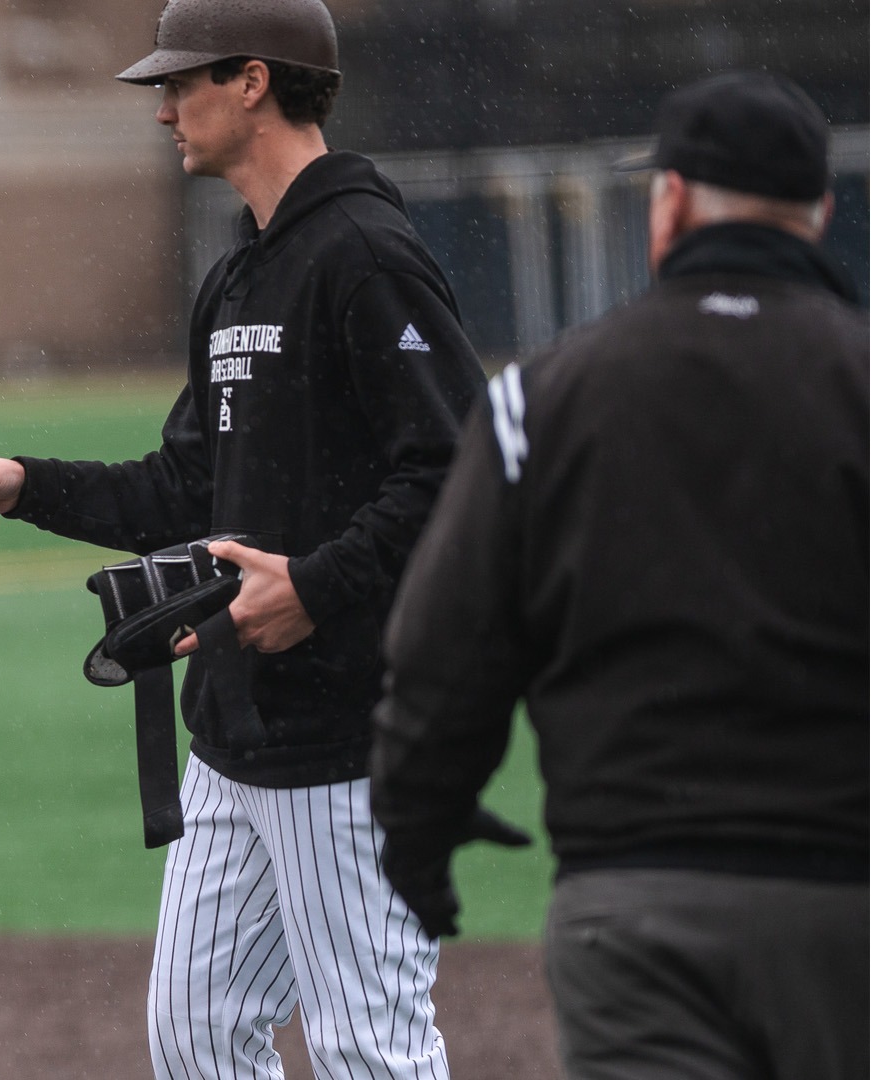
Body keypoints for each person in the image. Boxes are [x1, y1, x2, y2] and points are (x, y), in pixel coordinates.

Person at [0, 1, 493, 1075]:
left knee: (371, 1044)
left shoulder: (364, 252)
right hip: (236, 733)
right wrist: (20, 485)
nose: (162, 111)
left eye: (179, 84)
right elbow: (188, 485)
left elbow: (463, 466)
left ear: (253, 82)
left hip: (353, 735)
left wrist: (317, 586)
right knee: (196, 1037)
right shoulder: (240, 271)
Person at [369, 70, 867, 1080]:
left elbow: (443, 649)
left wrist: (416, 836)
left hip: (634, 903)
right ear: (817, 212)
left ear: (671, 201)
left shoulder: (544, 399)